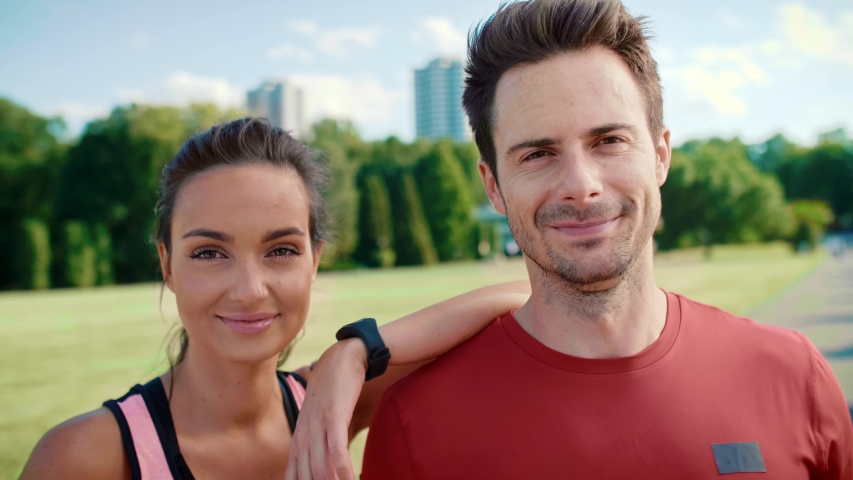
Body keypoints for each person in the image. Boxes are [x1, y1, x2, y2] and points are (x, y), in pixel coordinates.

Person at [286, 1, 853, 478]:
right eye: (538, 154)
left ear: (660, 155)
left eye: (609, 141)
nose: (581, 185)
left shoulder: (792, 375)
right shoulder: (416, 428)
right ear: (493, 185)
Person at [20, 118, 530, 480]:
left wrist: (353, 352)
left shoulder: (333, 402)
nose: (249, 290)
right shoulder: (85, 456)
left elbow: (532, 296)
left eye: (281, 250)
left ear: (314, 260)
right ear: (167, 264)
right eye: (209, 253)